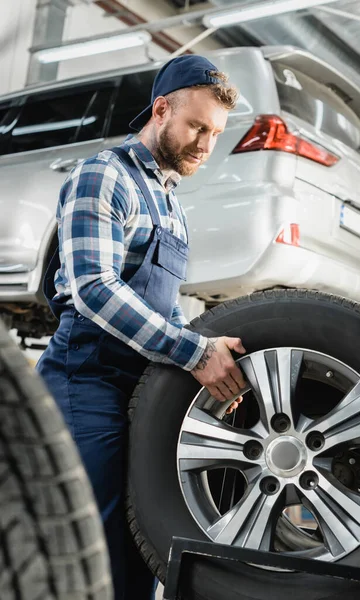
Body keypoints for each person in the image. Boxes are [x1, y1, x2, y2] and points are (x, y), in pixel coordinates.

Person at [36, 54, 246, 599]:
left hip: (135, 388)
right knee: (91, 546)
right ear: (161, 110)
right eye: (197, 126)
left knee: (143, 541)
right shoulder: (104, 175)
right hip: (83, 383)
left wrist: (206, 358)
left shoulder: (171, 207)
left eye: (216, 133)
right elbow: (93, 289)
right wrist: (192, 352)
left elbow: (165, 310)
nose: (205, 143)